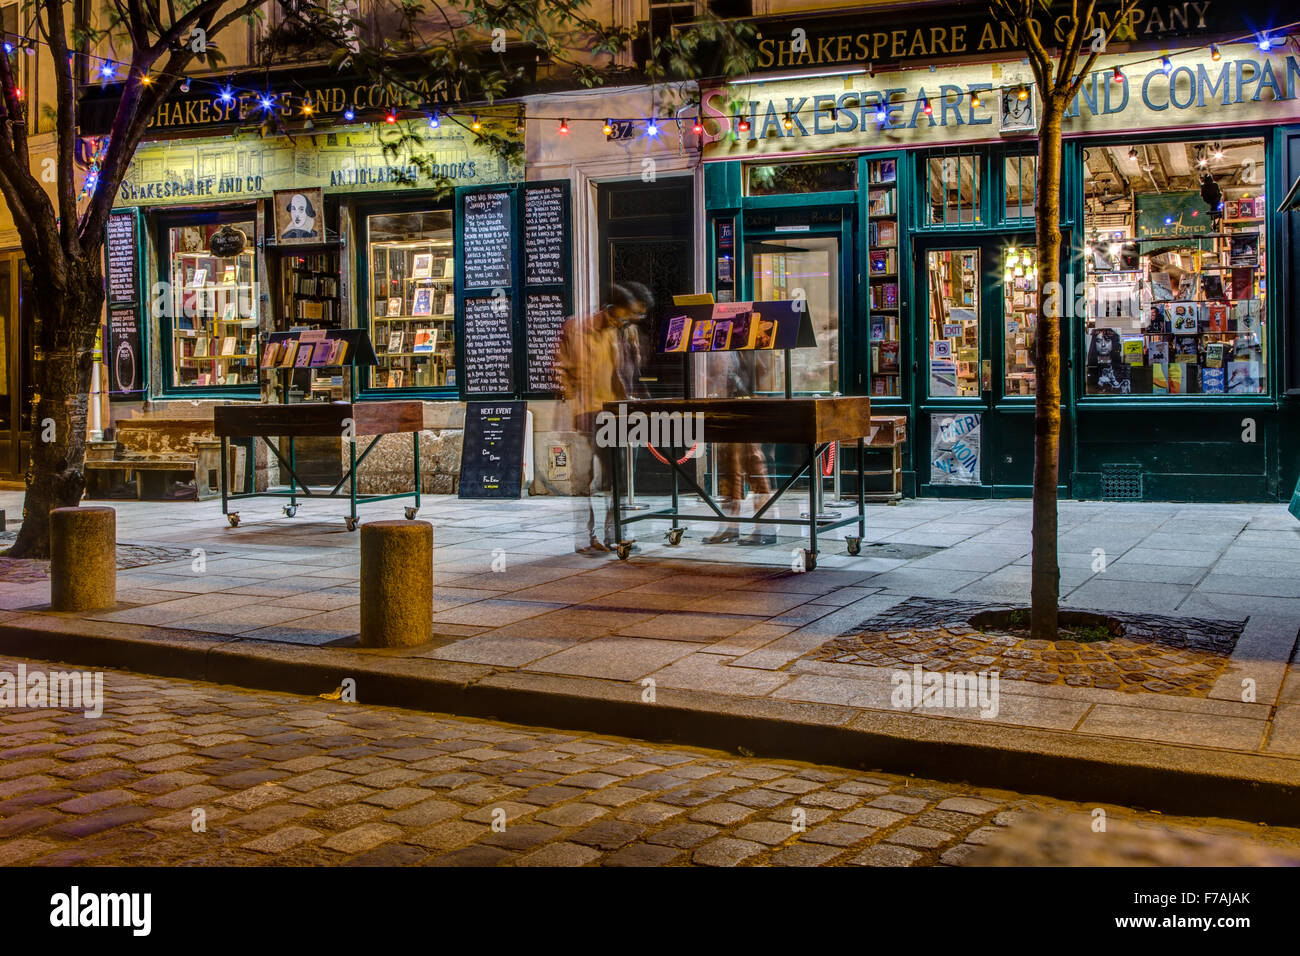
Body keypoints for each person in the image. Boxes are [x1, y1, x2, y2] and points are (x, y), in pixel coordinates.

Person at [555, 284, 644, 555]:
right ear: (613, 308)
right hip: (585, 411)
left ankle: (615, 534)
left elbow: (626, 372)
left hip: (613, 411)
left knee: (616, 477)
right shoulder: (576, 328)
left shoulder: (621, 332)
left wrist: (630, 401)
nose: (629, 320)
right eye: (627, 314)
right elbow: (561, 368)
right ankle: (584, 537)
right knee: (583, 478)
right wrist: (573, 402)